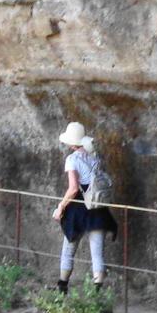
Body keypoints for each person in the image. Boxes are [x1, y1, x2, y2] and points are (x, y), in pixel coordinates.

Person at [50, 121, 117, 291]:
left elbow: (73, 188)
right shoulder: (95, 157)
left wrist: (61, 207)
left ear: (71, 142)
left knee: (68, 249)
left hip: (79, 208)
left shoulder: (72, 160)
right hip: (97, 206)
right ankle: (96, 295)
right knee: (97, 254)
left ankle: (62, 288)